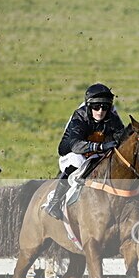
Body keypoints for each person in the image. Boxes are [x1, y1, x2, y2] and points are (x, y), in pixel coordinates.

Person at [43, 83, 125, 220]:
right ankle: (54, 202)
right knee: (78, 161)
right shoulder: (80, 117)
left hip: (95, 154)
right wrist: (100, 147)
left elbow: (122, 138)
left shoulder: (112, 117)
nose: (100, 111)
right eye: (96, 107)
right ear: (89, 106)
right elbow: (75, 145)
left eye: (104, 107)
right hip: (72, 153)